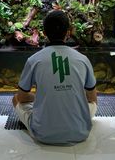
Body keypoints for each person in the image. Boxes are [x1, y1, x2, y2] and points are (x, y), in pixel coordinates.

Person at [13, 10, 97, 145]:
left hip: (43, 134)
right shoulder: (83, 59)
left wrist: (42, 97)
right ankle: (77, 123)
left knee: (15, 99)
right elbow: (92, 98)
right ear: (68, 33)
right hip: (81, 132)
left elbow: (22, 97)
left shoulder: (33, 60)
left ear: (44, 34)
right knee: (92, 104)